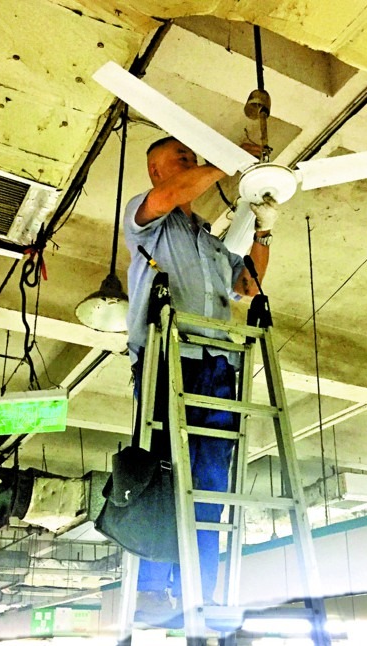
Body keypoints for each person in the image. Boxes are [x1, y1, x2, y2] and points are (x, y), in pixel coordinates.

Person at [124, 135, 277, 606]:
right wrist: (228, 162)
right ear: (156, 171)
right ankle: (152, 588)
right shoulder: (146, 219)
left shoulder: (210, 242)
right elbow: (172, 195)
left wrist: (264, 231)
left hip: (217, 365)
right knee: (163, 468)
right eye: (182, 159)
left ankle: (198, 590)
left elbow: (247, 285)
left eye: (193, 158)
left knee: (211, 479)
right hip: (168, 357)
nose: (192, 163)